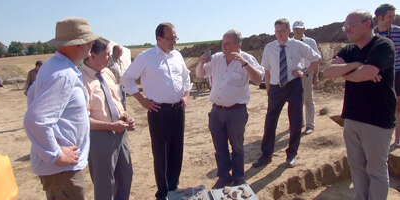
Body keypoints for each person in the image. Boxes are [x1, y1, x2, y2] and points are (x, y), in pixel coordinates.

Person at [23, 17, 100, 200]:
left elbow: (33, 97)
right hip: (62, 172)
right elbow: (35, 120)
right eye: (88, 41)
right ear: (77, 45)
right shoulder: (63, 74)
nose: (91, 44)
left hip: (61, 171)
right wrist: (56, 154)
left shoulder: (54, 66)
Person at [323, 10, 396, 200]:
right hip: (353, 117)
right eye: (345, 27)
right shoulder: (350, 51)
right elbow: (328, 72)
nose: (347, 30)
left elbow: (367, 73)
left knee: (376, 169)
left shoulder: (382, 45)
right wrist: (355, 65)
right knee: (356, 167)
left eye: (351, 26)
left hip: (377, 120)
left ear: (368, 23)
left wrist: (345, 71)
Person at [122, 22, 192, 200]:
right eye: (171, 38)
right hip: (158, 111)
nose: (174, 41)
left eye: (175, 37)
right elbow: (127, 78)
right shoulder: (146, 57)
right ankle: (162, 192)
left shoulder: (177, 55)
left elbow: (186, 76)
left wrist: (186, 95)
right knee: (160, 152)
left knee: (177, 149)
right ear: (159, 39)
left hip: (178, 109)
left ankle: (173, 187)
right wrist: (142, 101)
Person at [196, 30, 264, 188]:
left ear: (237, 45)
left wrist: (244, 64)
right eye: (223, 42)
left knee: (237, 147)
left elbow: (258, 79)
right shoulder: (217, 59)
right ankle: (224, 176)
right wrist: (201, 62)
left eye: (227, 43)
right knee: (220, 147)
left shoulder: (247, 59)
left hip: (236, 112)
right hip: (216, 111)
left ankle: (239, 177)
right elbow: (200, 74)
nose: (223, 46)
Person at [252, 18, 321, 168]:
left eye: (282, 31)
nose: (280, 34)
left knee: (295, 121)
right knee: (270, 121)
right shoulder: (269, 48)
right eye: (277, 31)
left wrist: (306, 72)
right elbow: (267, 69)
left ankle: (291, 155)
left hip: (294, 85)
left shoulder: (298, 45)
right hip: (276, 88)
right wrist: (269, 87)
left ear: (288, 31)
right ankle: (266, 155)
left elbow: (316, 58)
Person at [80, 38, 134, 200]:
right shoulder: (80, 80)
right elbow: (83, 120)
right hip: (100, 138)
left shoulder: (108, 73)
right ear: (92, 55)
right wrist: (110, 125)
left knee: (125, 176)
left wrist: (126, 116)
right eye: (106, 54)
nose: (110, 58)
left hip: (120, 133)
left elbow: (117, 101)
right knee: (105, 185)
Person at [374, 3, 400, 147]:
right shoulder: (371, 35)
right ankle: (381, 140)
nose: (393, 19)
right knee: (380, 106)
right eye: (390, 16)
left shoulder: (398, 32)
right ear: (380, 17)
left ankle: (398, 139)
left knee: (398, 106)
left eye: (393, 16)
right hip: (378, 76)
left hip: (397, 73)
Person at [292, 20, 321, 134]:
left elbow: (316, 59)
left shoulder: (310, 42)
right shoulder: (290, 43)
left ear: (304, 29)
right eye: (295, 29)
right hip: (294, 74)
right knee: (296, 100)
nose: (297, 31)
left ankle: (310, 125)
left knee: (308, 99)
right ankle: (300, 122)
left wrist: (316, 75)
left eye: (300, 28)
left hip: (307, 72)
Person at [109, 44, 131, 109]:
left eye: (121, 51)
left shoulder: (121, 61)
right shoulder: (109, 61)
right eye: (118, 51)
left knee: (123, 103)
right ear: (113, 51)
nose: (120, 53)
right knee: (115, 104)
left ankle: (124, 116)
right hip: (113, 88)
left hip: (122, 87)